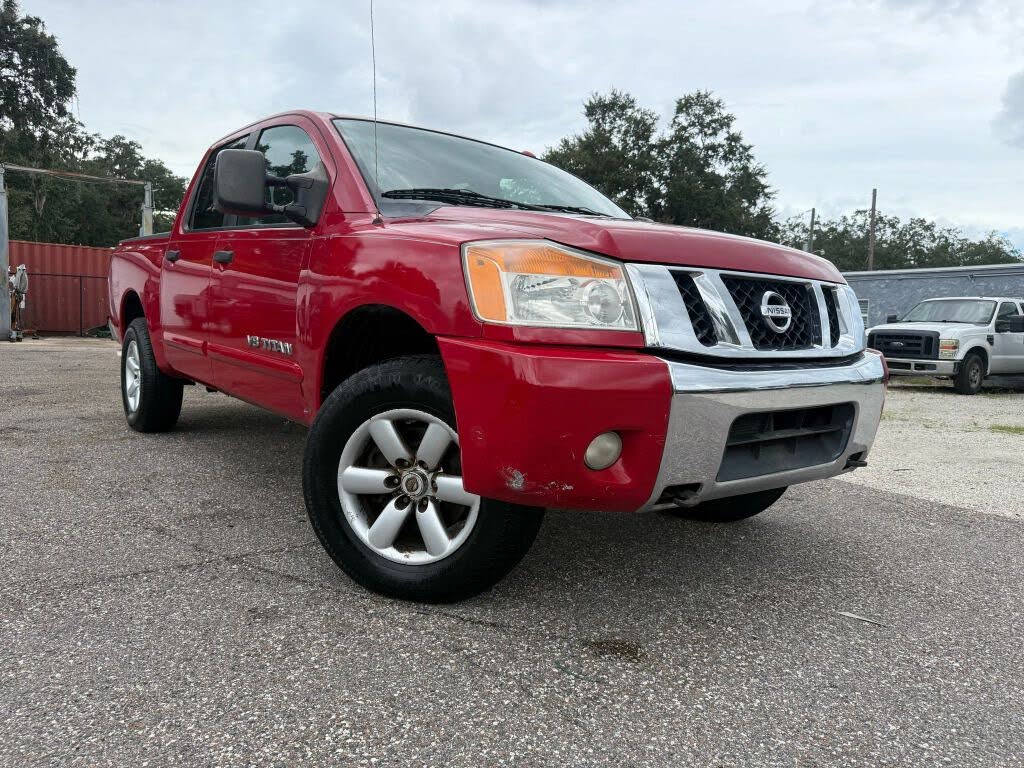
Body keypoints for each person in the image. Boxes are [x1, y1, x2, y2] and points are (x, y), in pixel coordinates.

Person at [9, 264, 28, 342]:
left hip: (18, 295)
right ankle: (16, 330)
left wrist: (16, 290)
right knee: (16, 314)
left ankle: (15, 330)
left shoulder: (21, 273)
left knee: (15, 314)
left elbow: (17, 285)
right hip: (19, 295)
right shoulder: (23, 274)